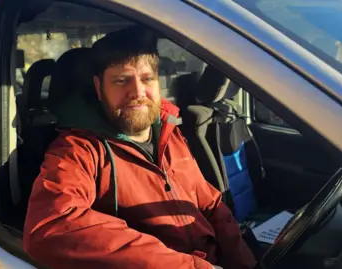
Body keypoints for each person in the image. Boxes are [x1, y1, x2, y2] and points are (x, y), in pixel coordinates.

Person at [23, 25, 256, 269]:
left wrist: (246, 264)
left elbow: (211, 207)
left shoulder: (170, 132)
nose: (137, 92)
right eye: (121, 80)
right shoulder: (78, 150)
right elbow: (50, 227)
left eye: (147, 79)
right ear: (98, 88)